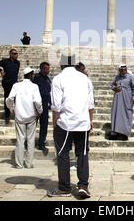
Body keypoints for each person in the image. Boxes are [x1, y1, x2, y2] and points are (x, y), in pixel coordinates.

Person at [47, 56, 94, 199]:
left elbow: (56, 105)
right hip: (83, 122)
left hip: (65, 123)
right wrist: (90, 122)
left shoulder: (58, 79)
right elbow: (91, 104)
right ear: (74, 64)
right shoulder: (85, 79)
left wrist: (55, 124)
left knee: (62, 155)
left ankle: (64, 188)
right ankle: (83, 186)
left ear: (61, 65)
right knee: (83, 154)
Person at [6, 67, 43, 169]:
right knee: (31, 140)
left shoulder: (16, 85)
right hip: (31, 116)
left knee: (20, 140)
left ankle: (19, 164)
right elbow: (37, 101)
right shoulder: (34, 86)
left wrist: (11, 108)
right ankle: (29, 163)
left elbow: (9, 99)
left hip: (20, 115)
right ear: (31, 75)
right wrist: (40, 111)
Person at [109, 64, 134, 141]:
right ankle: (114, 133)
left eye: (125, 69)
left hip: (127, 98)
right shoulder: (117, 77)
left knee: (126, 114)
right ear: (119, 70)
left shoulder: (130, 77)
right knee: (116, 114)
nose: (123, 71)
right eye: (121, 70)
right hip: (117, 99)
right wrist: (114, 88)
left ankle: (124, 133)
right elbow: (111, 85)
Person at [0, 48, 20, 124]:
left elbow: (16, 72)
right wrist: (1, 71)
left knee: (16, 99)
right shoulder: (5, 61)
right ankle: (7, 115)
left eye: (17, 53)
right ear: (10, 54)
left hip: (14, 84)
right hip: (6, 83)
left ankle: (17, 114)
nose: (16, 55)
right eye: (14, 54)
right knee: (7, 98)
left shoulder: (18, 63)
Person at [33, 62, 52, 155]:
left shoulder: (48, 79)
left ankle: (41, 143)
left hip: (44, 105)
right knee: (33, 125)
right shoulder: (36, 78)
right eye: (46, 68)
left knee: (44, 125)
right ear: (41, 69)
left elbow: (48, 92)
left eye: (48, 69)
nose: (47, 70)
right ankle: (29, 142)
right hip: (35, 105)